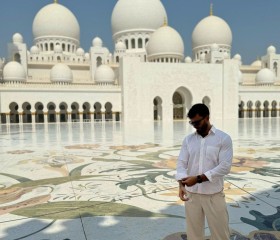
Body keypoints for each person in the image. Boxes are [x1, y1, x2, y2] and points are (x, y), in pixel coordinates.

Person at [175, 103, 233, 240]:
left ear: (207, 118)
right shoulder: (188, 140)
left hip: (214, 195)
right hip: (192, 196)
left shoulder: (223, 138)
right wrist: (181, 184)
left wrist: (198, 178)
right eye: (192, 123)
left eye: (197, 122)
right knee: (194, 235)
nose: (195, 126)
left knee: (221, 235)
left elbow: (225, 166)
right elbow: (181, 163)